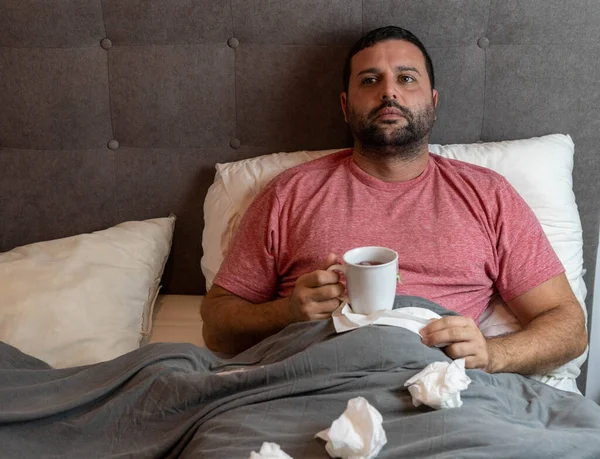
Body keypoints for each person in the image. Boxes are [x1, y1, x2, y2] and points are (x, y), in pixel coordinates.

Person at [201, 26, 587, 375]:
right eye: (370, 80)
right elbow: (217, 327)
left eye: (406, 78)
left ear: (432, 101)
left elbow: (568, 325)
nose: (389, 91)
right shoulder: (290, 194)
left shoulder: (488, 195)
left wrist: (491, 353)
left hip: (436, 383)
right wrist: (285, 313)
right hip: (313, 376)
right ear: (344, 106)